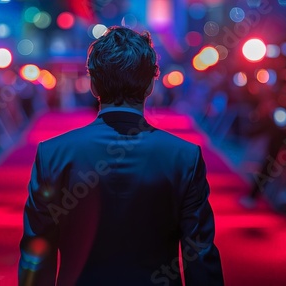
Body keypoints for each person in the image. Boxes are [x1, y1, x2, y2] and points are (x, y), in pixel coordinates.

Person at [19, 26, 223, 286]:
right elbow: (200, 257)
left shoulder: (52, 154)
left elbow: (36, 254)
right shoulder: (185, 157)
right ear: (150, 84)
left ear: (93, 85)